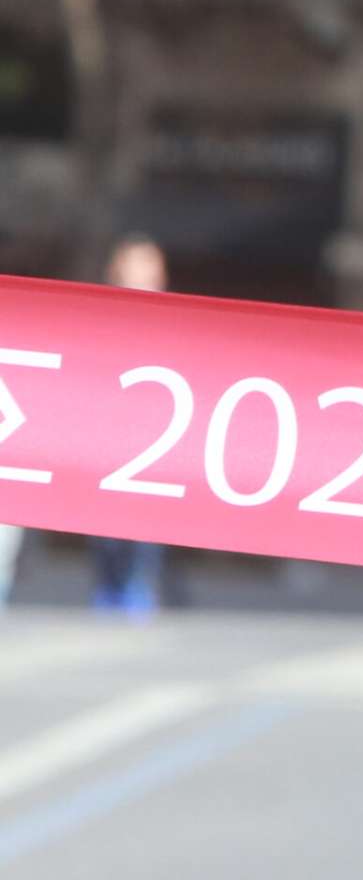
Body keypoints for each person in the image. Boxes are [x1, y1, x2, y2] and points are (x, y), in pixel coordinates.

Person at [90, 235, 171, 617]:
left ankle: (137, 598)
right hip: (107, 444)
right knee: (106, 535)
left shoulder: (176, 322)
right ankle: (109, 597)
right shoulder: (98, 320)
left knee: (143, 535)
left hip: (153, 446)